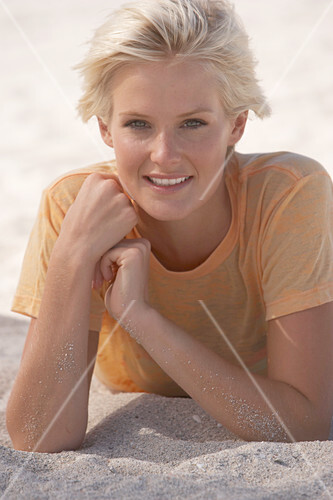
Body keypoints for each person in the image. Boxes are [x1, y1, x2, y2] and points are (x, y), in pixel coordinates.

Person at [6, 0, 333, 452]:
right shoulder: (75, 208)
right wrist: (72, 255)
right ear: (105, 128)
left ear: (236, 124)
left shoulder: (289, 193)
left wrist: (142, 318)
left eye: (193, 123)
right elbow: (39, 436)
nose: (164, 154)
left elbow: (303, 425)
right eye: (138, 124)